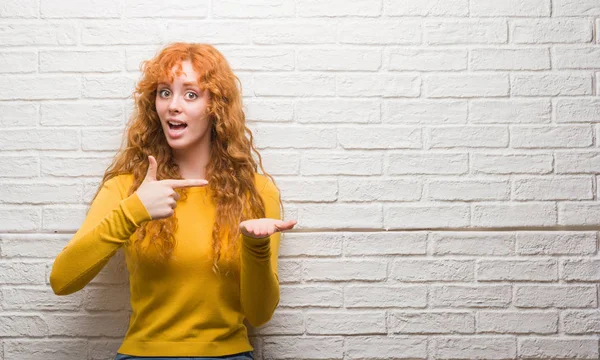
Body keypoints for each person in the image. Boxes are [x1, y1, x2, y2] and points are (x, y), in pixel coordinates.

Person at [49, 42, 297, 360]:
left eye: (190, 94)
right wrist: (133, 211)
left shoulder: (256, 192)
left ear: (215, 107)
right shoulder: (127, 189)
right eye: (164, 92)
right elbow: (62, 279)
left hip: (228, 355)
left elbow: (260, 314)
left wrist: (256, 247)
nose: (172, 106)